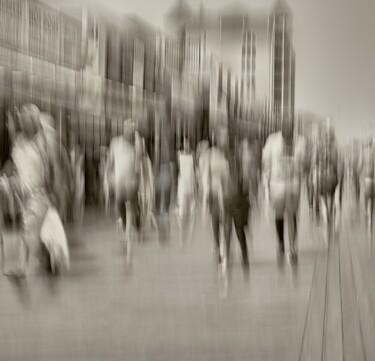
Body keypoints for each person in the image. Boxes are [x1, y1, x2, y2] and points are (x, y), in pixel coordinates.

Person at [4, 104, 51, 277]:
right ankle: (37, 260)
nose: (22, 123)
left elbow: (45, 169)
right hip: (22, 192)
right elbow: (15, 157)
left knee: (28, 231)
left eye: (25, 119)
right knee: (29, 232)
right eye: (21, 120)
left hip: (35, 193)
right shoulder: (18, 139)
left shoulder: (41, 141)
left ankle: (26, 265)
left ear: (32, 121)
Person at [262, 114, 306, 264]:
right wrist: (266, 182)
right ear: (280, 127)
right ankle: (281, 243)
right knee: (279, 215)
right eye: (284, 126)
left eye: (290, 126)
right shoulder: (272, 140)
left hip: (293, 184)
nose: (287, 129)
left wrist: (299, 168)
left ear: (293, 127)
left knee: (292, 215)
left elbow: (305, 163)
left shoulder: (300, 141)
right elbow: (265, 162)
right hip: (277, 185)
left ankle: (292, 246)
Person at [107, 120, 140, 265]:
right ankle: (127, 225)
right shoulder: (115, 142)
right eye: (127, 128)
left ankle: (127, 233)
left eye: (132, 129)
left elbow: (139, 162)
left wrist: (138, 181)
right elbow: (110, 161)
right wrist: (107, 177)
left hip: (131, 180)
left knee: (130, 205)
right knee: (120, 205)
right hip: (118, 180)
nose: (130, 131)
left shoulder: (136, 144)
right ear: (123, 129)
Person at [177, 137, 196, 245]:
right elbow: (178, 171)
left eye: (188, 143)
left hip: (191, 185)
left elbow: (194, 170)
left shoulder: (192, 155)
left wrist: (196, 187)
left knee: (191, 213)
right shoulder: (179, 154)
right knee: (182, 213)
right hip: (182, 186)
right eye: (185, 143)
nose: (186, 145)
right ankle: (181, 236)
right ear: (183, 144)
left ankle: (189, 238)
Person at [155, 137, 174, 245]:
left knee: (164, 205)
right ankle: (164, 226)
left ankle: (164, 226)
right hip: (164, 180)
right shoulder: (166, 158)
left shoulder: (163, 158)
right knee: (163, 205)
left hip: (164, 180)